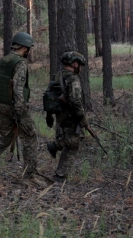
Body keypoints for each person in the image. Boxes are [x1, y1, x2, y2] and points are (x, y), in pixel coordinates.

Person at [0, 32, 45, 186]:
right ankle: (29, 176)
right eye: (28, 48)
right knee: (30, 138)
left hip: (3, 104)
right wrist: (20, 110)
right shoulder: (20, 63)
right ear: (24, 47)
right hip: (16, 106)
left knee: (6, 137)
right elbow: (18, 87)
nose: (29, 51)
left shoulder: (5, 60)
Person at [46, 51, 88, 183]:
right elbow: (76, 101)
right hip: (71, 115)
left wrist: (49, 115)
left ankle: (60, 175)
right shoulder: (72, 78)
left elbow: (48, 96)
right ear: (75, 64)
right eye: (79, 65)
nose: (80, 68)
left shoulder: (57, 76)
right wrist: (82, 118)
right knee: (74, 141)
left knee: (71, 144)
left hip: (60, 115)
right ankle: (55, 146)